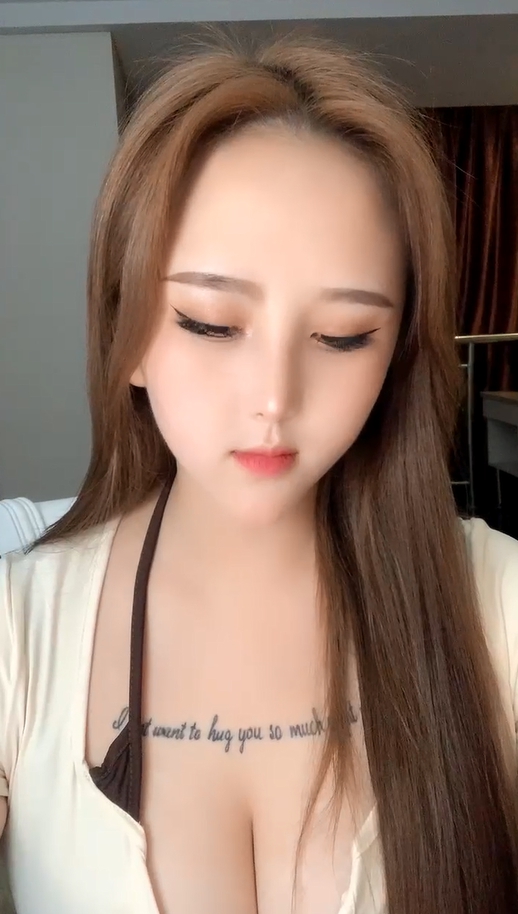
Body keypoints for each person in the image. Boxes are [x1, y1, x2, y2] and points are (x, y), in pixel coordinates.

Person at [0, 33, 517, 914]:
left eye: (343, 337)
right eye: (210, 322)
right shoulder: (20, 633)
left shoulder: (493, 605)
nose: (275, 398)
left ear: (395, 355)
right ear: (126, 332)